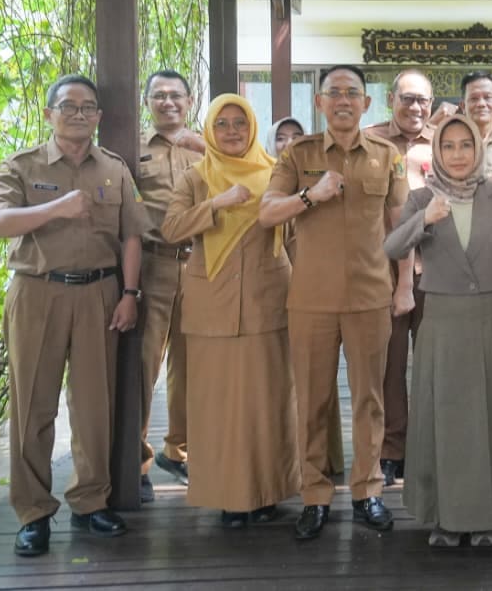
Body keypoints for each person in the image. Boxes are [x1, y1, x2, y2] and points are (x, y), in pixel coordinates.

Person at [0, 74, 148, 557]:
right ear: (49, 113)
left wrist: (130, 293)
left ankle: (91, 500)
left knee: (95, 406)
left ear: (99, 116)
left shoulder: (114, 168)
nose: (79, 114)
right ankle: (33, 512)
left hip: (99, 294)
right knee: (33, 406)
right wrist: (56, 207)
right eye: (69, 106)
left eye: (88, 107)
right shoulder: (21, 165)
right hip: (38, 293)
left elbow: (132, 235)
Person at [258, 65, 411, 541]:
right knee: (313, 401)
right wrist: (311, 195)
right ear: (319, 102)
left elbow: (402, 227)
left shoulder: (387, 156)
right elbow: (267, 213)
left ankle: (368, 492)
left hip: (370, 296)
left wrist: (405, 285)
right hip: (312, 300)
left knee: (370, 399)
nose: (343, 100)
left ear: (367, 103)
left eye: (352, 93)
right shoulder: (298, 154)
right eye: (334, 92)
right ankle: (315, 495)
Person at [384, 114, 492, 546]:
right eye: (448, 146)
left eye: (465, 145)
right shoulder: (421, 197)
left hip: (490, 319)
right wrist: (424, 219)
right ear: (437, 152)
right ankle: (446, 518)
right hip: (442, 324)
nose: (457, 154)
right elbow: (392, 246)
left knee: (489, 420)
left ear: (478, 149)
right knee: (446, 420)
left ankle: (487, 519)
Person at [160, 94, 299, 528]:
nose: (233, 131)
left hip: (267, 300)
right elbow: (171, 229)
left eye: (241, 122)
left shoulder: (276, 174)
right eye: (223, 124)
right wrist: (216, 204)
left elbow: (295, 236)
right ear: (210, 130)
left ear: (253, 127)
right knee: (217, 405)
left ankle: (267, 493)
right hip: (212, 306)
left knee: (267, 401)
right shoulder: (196, 176)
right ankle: (228, 498)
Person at [135, 70, 203, 501]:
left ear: (190, 100)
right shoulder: (132, 149)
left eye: (176, 95)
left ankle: (179, 450)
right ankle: (136, 461)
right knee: (144, 366)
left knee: (192, 365)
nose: (168, 102)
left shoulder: (206, 147)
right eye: (158, 95)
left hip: (199, 266)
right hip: (153, 265)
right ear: (147, 102)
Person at [264, 115, 345, 477]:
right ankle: (290, 463)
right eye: (281, 137)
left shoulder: (323, 178)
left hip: (317, 290)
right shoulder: (264, 179)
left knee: (318, 378)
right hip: (272, 291)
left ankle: (326, 459)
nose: (289, 143)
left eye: (296, 136)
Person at [366, 69, 436, 487]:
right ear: (390, 99)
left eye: (422, 100)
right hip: (382, 270)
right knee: (388, 368)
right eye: (406, 98)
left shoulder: (444, 142)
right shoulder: (371, 141)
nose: (414, 107)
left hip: (437, 270)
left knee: (432, 364)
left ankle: (428, 446)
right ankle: (392, 449)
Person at [461, 70, 492, 175]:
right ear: (463, 106)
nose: (481, 104)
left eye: (487, 97)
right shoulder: (450, 145)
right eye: (474, 98)